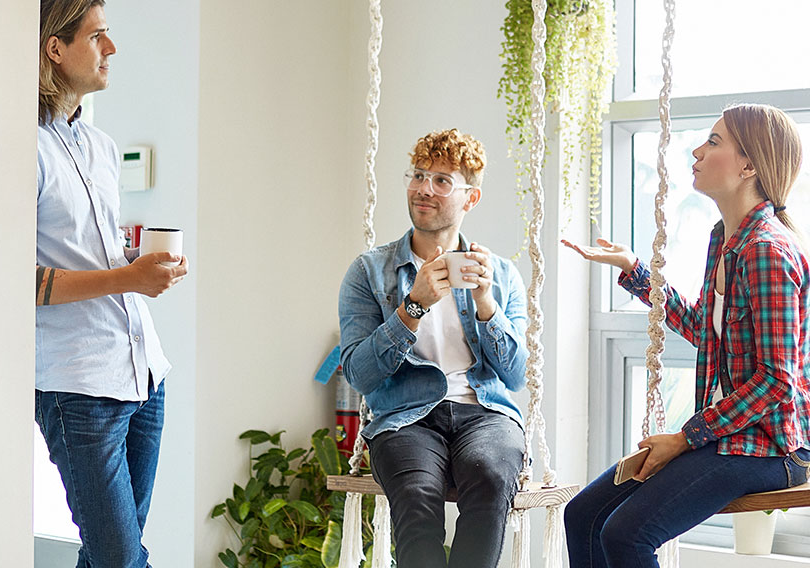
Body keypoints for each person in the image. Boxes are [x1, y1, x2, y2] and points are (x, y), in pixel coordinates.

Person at [562, 103, 810, 568]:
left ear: (749, 166)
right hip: (727, 437)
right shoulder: (724, 239)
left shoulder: (767, 252)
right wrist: (635, 272)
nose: (697, 149)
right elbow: (703, 330)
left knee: (626, 535)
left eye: (714, 141)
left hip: (772, 448)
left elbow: (778, 382)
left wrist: (686, 437)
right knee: (582, 516)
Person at [32, 1, 188, 566]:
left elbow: (87, 253)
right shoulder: (24, 150)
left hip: (146, 375)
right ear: (55, 49)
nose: (111, 49)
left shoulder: (99, 146)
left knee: (109, 557)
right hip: (77, 385)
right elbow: (16, 282)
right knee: (121, 559)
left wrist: (144, 266)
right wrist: (128, 276)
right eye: (98, 36)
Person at [337, 128, 529, 568]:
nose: (424, 188)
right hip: (407, 417)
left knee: (491, 475)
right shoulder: (368, 272)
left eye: (442, 181)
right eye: (419, 175)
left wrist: (485, 304)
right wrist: (412, 307)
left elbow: (517, 376)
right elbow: (359, 375)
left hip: (485, 414)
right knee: (417, 494)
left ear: (470, 198)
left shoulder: (500, 275)